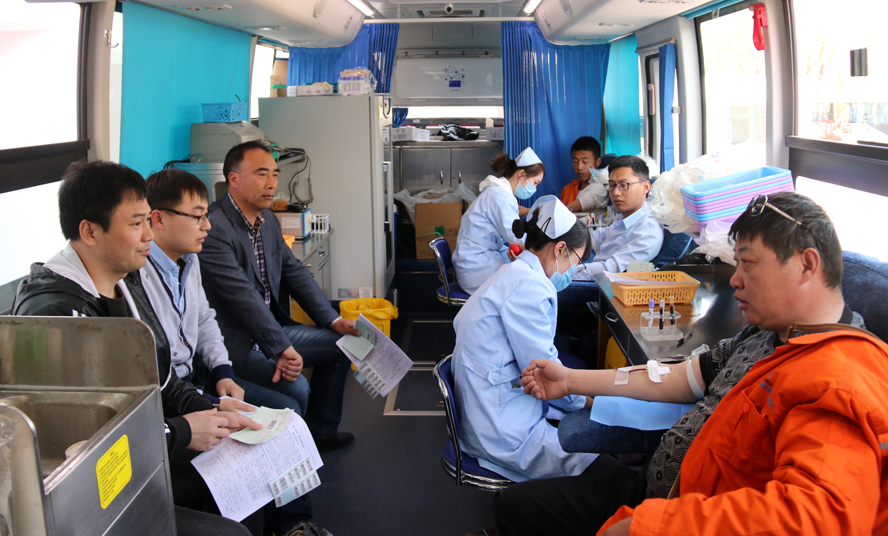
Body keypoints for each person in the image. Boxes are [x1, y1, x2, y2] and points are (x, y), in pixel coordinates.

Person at [494, 192, 881, 536]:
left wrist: (652, 526)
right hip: (662, 488)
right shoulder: (767, 334)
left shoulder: (837, 379)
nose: (736, 280)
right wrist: (570, 380)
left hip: (686, 514)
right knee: (516, 506)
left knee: (523, 511)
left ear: (806, 265)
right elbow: (682, 376)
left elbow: (816, 519)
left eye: (748, 264)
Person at [11, 160, 261, 536]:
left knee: (247, 460)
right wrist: (181, 432)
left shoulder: (125, 284)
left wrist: (210, 409)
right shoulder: (57, 316)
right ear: (90, 231)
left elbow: (160, 380)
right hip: (96, 494)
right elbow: (83, 449)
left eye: (148, 221)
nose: (148, 235)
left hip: (145, 450)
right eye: (135, 224)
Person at [140, 168, 327, 535]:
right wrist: (211, 397)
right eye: (197, 216)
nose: (206, 225)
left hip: (204, 378)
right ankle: (282, 522)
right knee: (278, 417)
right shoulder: (139, 276)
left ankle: (290, 523)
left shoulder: (188, 261)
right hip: (180, 395)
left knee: (286, 417)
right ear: (158, 219)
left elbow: (204, 319)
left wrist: (222, 371)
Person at [198, 140, 360, 452]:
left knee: (342, 343)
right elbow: (245, 299)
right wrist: (282, 348)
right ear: (233, 179)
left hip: (270, 332)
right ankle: (294, 452)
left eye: (274, 174)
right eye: (261, 174)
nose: (272, 183)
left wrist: (333, 319)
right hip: (238, 343)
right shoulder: (215, 228)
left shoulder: (267, 220)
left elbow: (294, 270)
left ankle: (320, 434)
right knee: (297, 389)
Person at [452, 196, 597, 482]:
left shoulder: (514, 272)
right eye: (577, 262)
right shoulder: (529, 288)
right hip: (504, 429)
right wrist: (591, 402)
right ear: (560, 249)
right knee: (596, 460)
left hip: (493, 403)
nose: (573, 271)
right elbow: (546, 372)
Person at [452, 147, 545, 294]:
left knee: (521, 274)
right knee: (525, 286)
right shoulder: (499, 196)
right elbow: (517, 235)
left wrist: (533, 211)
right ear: (522, 174)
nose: (535, 188)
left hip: (479, 258)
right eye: (535, 183)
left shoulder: (499, 192)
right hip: (476, 268)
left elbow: (514, 211)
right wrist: (543, 245)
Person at [572, 155, 663, 280]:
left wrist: (564, 272)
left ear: (646, 187)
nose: (615, 192)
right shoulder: (625, 217)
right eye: (612, 185)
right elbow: (600, 236)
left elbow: (610, 269)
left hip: (603, 284)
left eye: (624, 185)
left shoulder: (647, 230)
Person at [560, 136, 607, 213]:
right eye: (575, 161)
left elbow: (566, 211)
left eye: (585, 162)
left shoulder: (601, 187)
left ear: (598, 162)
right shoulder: (568, 189)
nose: (579, 167)